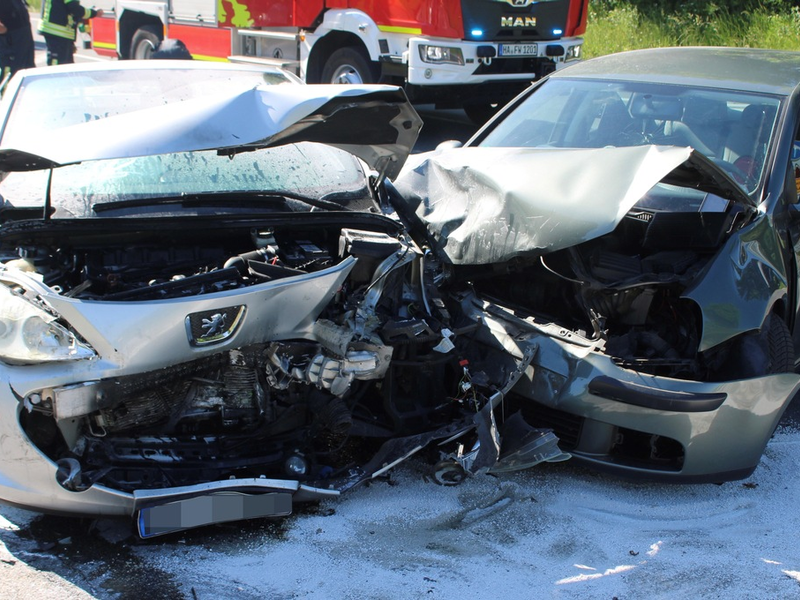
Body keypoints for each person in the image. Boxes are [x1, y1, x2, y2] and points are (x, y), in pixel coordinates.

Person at [38, 0, 103, 65]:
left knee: (66, 63)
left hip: (56, 29)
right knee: (58, 63)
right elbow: (75, 8)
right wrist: (94, 13)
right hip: (58, 31)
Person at [0, 0, 35, 84]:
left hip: (23, 40)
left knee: (27, 71)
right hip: (9, 41)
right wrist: (3, 30)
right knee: (9, 76)